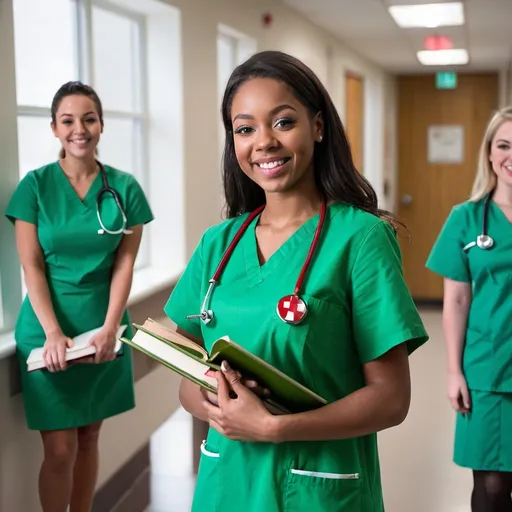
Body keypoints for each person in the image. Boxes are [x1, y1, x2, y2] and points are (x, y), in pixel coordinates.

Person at [163, 50, 428, 511]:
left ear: (318, 127)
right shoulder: (219, 243)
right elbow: (185, 380)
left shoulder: (361, 238)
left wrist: (272, 427)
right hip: (226, 483)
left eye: (282, 122)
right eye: (245, 129)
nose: (263, 142)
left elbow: (391, 399)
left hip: (316, 489)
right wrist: (212, 399)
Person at [5, 81, 153, 512]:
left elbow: (124, 264)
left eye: (88, 118)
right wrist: (52, 333)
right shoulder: (34, 188)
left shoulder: (125, 189)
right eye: (68, 120)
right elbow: (31, 265)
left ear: (101, 124)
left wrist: (111, 327)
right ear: (54, 128)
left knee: (89, 438)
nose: (79, 129)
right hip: (47, 329)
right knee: (60, 451)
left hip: (102, 326)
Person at [426, 106, 512, 511]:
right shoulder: (465, 219)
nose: (511, 156)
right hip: (488, 369)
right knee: (492, 487)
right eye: (504, 145)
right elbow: (456, 300)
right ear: (490, 153)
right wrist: (453, 371)